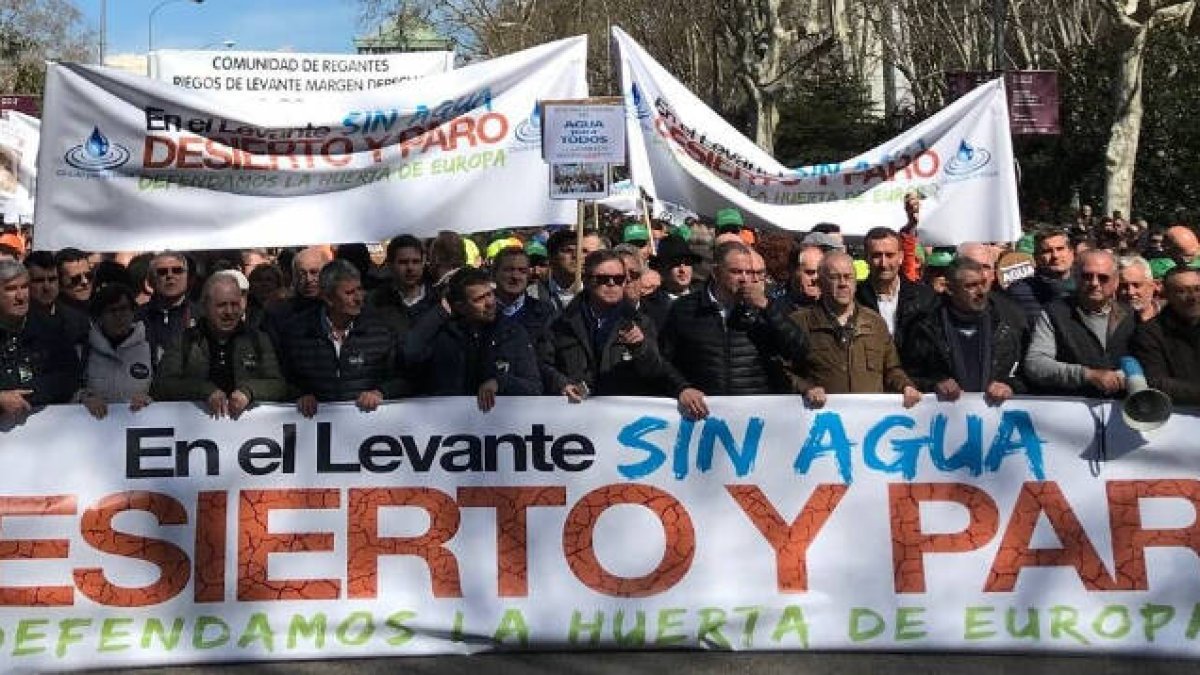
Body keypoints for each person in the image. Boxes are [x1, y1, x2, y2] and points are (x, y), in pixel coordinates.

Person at [661, 241, 810, 418]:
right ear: (716, 273)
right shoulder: (684, 309)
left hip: (755, 415)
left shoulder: (768, 307)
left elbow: (800, 349)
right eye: (736, 272)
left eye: (749, 272)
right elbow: (663, 360)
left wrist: (766, 308)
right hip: (705, 416)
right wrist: (682, 388)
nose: (744, 278)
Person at [790, 252, 921, 408]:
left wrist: (906, 386)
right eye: (834, 277)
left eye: (848, 277)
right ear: (820, 282)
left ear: (856, 282)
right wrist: (806, 388)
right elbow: (784, 371)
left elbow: (892, 368)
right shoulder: (800, 323)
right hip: (824, 423)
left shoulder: (875, 323)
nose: (843, 283)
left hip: (868, 422)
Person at [279, 259, 407, 417]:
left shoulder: (381, 329)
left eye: (360, 289)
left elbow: (403, 376)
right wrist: (300, 394)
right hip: (316, 426)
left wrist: (381, 392)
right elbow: (284, 378)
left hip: (369, 425)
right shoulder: (298, 331)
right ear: (328, 298)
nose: (359, 298)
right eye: (349, 293)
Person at [404, 267, 540, 410]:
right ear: (460, 307)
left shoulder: (512, 333)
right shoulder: (442, 334)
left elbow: (534, 387)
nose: (489, 303)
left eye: (490, 294)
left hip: (498, 426)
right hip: (446, 423)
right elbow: (410, 354)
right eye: (479, 299)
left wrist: (499, 383)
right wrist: (440, 312)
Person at [152, 274, 286, 419]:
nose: (229, 312)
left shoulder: (257, 339)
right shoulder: (185, 341)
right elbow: (162, 385)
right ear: (204, 306)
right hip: (196, 431)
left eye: (234, 305)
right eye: (222, 305)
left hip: (249, 430)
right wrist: (205, 391)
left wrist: (248, 391)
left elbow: (278, 385)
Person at [543, 250, 668, 399]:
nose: (611, 283)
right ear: (586, 280)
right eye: (602, 279)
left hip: (622, 414)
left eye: (619, 279)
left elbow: (656, 373)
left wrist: (640, 347)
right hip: (575, 412)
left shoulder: (641, 322)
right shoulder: (560, 323)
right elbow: (543, 365)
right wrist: (562, 384)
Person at [901, 258, 1025, 405]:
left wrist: (1009, 385)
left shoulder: (1007, 323)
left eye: (983, 283)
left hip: (994, 417)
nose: (980, 292)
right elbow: (909, 375)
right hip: (947, 415)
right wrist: (935, 384)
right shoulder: (925, 327)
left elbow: (1025, 373)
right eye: (971, 286)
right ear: (949, 289)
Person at [1023, 250, 1134, 398]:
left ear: (1116, 282)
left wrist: (1123, 376)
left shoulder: (1131, 316)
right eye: (1087, 276)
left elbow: (1148, 361)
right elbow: (1035, 364)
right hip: (1073, 409)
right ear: (1076, 277)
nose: (1094, 283)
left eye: (1103, 278)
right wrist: (1086, 375)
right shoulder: (1055, 312)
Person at [0, 260, 78, 421]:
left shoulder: (51, 329)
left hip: (45, 428)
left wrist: (26, 397)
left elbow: (69, 377)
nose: (21, 296)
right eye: (11, 289)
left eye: (24, 287)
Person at [78, 283, 153, 419]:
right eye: (111, 311)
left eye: (123, 309)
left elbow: (164, 389)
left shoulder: (150, 347)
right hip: (93, 428)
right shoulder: (85, 349)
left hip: (140, 426)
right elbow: (69, 390)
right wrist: (84, 397)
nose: (118, 316)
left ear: (133, 312)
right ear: (100, 316)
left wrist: (150, 399)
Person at [856, 227, 937, 348]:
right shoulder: (855, 299)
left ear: (900, 257)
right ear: (866, 258)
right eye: (876, 256)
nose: (883, 263)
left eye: (889, 255)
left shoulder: (924, 297)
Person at [1131, 266, 1200, 405]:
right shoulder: (1149, 333)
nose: (1192, 297)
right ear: (1167, 295)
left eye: (1198, 289)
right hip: (1179, 414)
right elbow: (1156, 382)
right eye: (1182, 291)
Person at [368, 235, 437, 340]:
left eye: (416, 261)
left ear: (423, 263)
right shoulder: (375, 301)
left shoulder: (437, 300)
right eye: (403, 262)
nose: (410, 268)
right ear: (390, 265)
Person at [264, 246, 332, 348]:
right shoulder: (279, 314)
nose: (308, 279)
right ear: (294, 277)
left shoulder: (339, 309)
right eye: (302, 274)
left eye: (314, 272)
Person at [138, 251, 199, 363]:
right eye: (162, 272)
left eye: (177, 270)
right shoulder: (137, 317)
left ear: (187, 277)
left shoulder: (202, 316)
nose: (170, 276)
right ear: (151, 280)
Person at [1006, 229, 1076, 325]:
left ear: (1071, 253)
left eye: (1060, 249)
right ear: (1036, 258)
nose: (1055, 255)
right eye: (1047, 251)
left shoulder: (1086, 284)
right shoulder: (1020, 291)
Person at [24, 250, 89, 352]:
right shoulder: (16, 320)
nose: (47, 287)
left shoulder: (78, 321)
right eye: (39, 280)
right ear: (26, 283)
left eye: (52, 279)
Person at [651, 235, 701, 301]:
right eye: (676, 264)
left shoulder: (704, 296)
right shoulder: (651, 304)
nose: (683, 270)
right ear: (662, 269)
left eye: (687, 263)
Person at [1118, 255, 1160, 323]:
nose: (1130, 292)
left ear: (1151, 285)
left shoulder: (1168, 315)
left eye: (1136, 285)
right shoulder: (1111, 324)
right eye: (1123, 286)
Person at [55, 248, 94, 312]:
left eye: (89, 275)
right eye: (76, 279)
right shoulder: (53, 317)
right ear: (59, 283)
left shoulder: (101, 309)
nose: (85, 281)